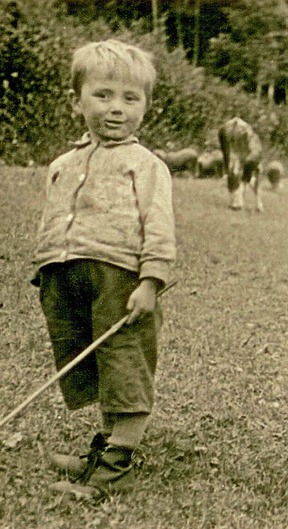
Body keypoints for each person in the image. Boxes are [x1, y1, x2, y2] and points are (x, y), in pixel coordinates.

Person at [32, 39, 175, 499]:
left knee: (124, 363)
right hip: (67, 275)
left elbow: (158, 225)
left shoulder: (146, 165)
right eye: (103, 95)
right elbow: (53, 217)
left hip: (120, 278)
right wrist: (46, 267)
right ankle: (104, 444)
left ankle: (115, 467)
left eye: (130, 99)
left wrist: (150, 280)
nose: (117, 109)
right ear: (77, 101)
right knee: (91, 362)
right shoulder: (62, 164)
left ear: (146, 107)